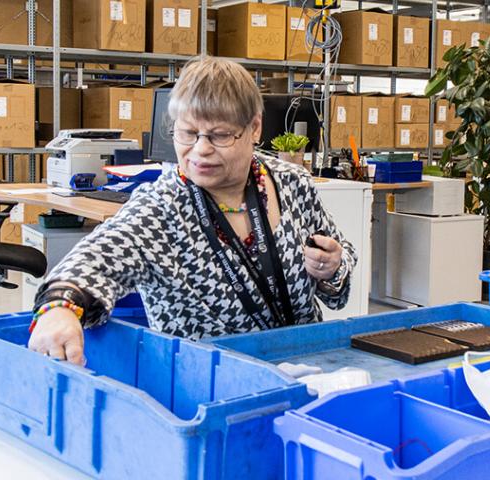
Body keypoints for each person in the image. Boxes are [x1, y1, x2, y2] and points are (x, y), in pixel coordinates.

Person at [29, 57, 357, 365]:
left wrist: (332, 269)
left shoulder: (292, 183)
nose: (200, 149)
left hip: (308, 364)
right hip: (212, 382)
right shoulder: (160, 207)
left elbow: (340, 261)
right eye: (188, 133)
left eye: (220, 135)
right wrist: (60, 309)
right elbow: (92, 261)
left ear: (255, 128)